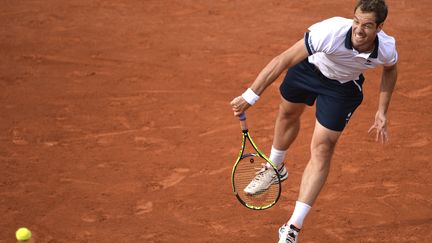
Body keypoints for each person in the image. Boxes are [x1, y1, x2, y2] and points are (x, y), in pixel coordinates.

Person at [230, 0, 398, 242]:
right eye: (356, 22)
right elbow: (283, 59)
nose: (359, 30)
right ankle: (276, 166)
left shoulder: (386, 48)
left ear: (380, 27)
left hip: (342, 87)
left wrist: (382, 110)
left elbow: (391, 69)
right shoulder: (328, 33)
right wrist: (250, 95)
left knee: (323, 147)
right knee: (287, 113)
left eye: (368, 25)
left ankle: (292, 227)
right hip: (309, 68)